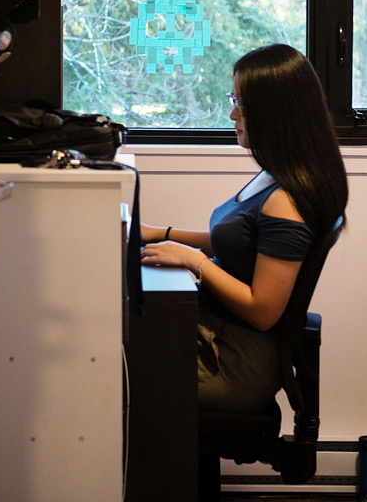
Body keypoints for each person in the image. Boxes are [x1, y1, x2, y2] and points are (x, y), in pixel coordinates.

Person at [138, 43, 348, 413]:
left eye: (242, 104)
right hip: (217, 332)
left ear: (274, 114)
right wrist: (162, 233)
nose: (233, 113)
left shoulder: (287, 202)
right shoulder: (275, 176)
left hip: (234, 361)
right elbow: (238, 243)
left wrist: (195, 262)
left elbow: (262, 309)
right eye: (233, 99)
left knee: (123, 364)